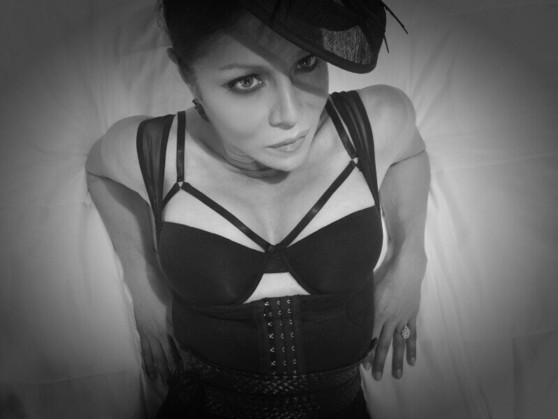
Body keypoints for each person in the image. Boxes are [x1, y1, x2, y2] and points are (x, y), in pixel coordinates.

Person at [86, 0, 430, 417]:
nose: (291, 115)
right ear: (188, 75)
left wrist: (409, 258)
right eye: (246, 81)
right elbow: (100, 173)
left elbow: (411, 152)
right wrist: (143, 284)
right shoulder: (153, 152)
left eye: (307, 62)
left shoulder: (374, 122)